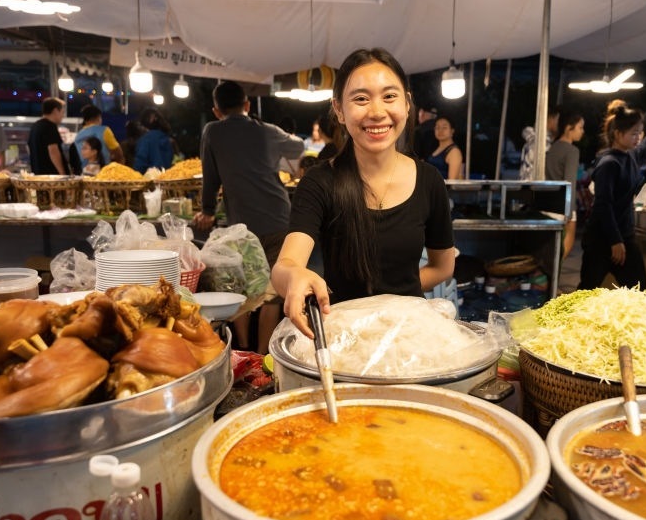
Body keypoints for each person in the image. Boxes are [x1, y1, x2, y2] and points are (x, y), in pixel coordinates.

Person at [271, 47, 456, 337]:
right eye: (360, 99)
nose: (377, 112)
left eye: (389, 96)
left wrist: (387, 305)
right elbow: (285, 265)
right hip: (344, 335)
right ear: (339, 110)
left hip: (410, 333)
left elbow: (443, 267)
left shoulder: (429, 180)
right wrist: (294, 276)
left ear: (407, 104)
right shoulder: (320, 182)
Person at [193, 80, 305, 353]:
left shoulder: (212, 131)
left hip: (242, 226)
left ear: (216, 110)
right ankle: (263, 357)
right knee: (272, 294)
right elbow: (299, 146)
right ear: (247, 104)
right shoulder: (267, 130)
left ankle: (242, 351)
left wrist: (207, 210)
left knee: (239, 288)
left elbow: (210, 176)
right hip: (279, 219)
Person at [578, 100, 646, 291]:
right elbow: (603, 205)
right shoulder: (609, 163)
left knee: (637, 287)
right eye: (634, 133)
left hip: (624, 236)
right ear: (617, 134)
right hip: (601, 240)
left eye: (640, 132)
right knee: (587, 290)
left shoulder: (629, 156)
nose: (638, 138)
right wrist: (615, 240)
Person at [546, 109, 585, 258]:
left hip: (548, 203)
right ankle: (556, 270)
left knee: (551, 247)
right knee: (564, 246)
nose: (582, 131)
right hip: (563, 203)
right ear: (569, 128)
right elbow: (570, 182)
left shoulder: (552, 147)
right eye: (580, 127)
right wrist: (569, 210)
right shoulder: (572, 151)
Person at [27, 97, 67, 175]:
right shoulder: (50, 126)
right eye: (62, 112)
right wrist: (62, 173)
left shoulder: (35, 126)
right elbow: (53, 151)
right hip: (51, 176)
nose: (63, 116)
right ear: (55, 111)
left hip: (38, 173)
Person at [520, 105, 560, 181]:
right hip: (535, 185)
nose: (557, 124)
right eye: (556, 120)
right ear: (550, 119)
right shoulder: (541, 143)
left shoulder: (532, 139)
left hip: (526, 183)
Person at [133, 107, 173, 173]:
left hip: (150, 178)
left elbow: (140, 163)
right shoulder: (167, 139)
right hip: (167, 176)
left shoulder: (146, 139)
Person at [427, 114, 464, 179]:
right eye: (437, 127)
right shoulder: (435, 147)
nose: (440, 131)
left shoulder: (454, 152)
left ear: (452, 131)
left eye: (444, 127)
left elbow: (452, 181)